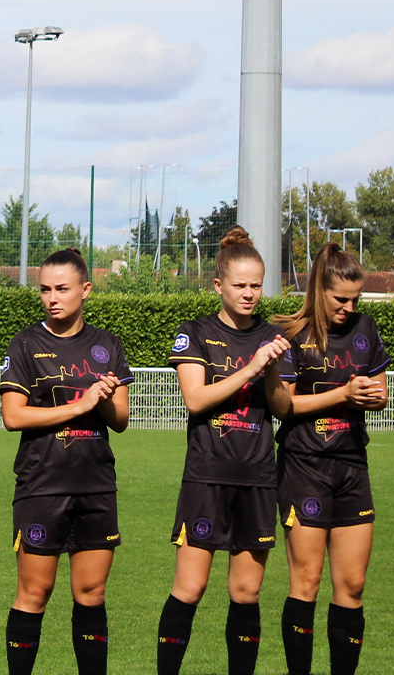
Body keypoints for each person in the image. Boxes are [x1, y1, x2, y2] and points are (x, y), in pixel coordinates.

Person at [157, 227, 293, 675]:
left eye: (257, 285)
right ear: (218, 285)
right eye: (240, 285)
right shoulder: (195, 332)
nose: (249, 293)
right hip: (207, 476)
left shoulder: (275, 337)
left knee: (246, 593)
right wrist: (252, 368)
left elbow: (283, 408)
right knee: (189, 588)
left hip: (258, 479)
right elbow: (195, 400)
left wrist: (271, 372)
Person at [0, 248, 132, 675]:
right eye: (45, 290)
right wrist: (79, 405)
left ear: (85, 289)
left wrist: (104, 399)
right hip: (42, 484)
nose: (52, 298)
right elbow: (13, 417)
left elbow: (121, 420)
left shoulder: (107, 344)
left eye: (62, 289)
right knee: (34, 593)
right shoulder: (26, 343)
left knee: (91, 593)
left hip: (96, 486)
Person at [270, 242, 390, 675]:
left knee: (353, 585)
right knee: (307, 581)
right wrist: (343, 393)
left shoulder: (365, 329)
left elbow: (380, 390)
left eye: (355, 299)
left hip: (352, 463)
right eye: (341, 299)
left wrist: (373, 397)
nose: (349, 307)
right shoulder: (290, 333)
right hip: (305, 465)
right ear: (319, 289)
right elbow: (283, 406)